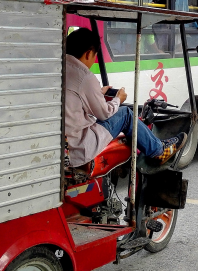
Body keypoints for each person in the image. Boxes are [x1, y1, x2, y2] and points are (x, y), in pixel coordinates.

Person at [64, 28, 185, 168]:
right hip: (78, 148)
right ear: (88, 53)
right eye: (94, 57)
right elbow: (105, 114)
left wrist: (97, 93)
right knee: (125, 114)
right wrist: (118, 99)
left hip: (63, 146)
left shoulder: (58, 67)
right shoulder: (84, 77)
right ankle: (158, 150)